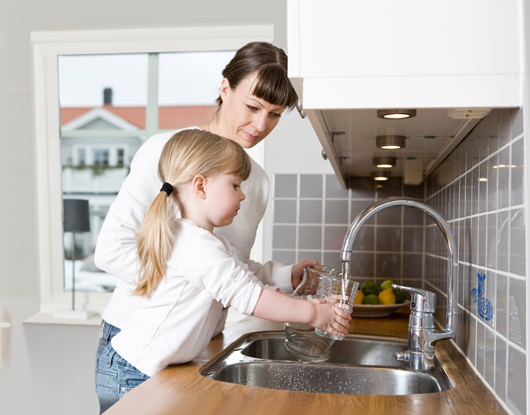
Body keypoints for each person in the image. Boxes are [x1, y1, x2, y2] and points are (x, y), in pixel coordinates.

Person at [95, 130, 351, 411]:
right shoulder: (195, 244)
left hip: (143, 367)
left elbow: (240, 272)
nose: (243, 195)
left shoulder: (208, 241)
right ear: (201, 187)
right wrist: (314, 313)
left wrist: (289, 277)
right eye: (236, 185)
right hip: (132, 373)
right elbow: (249, 296)